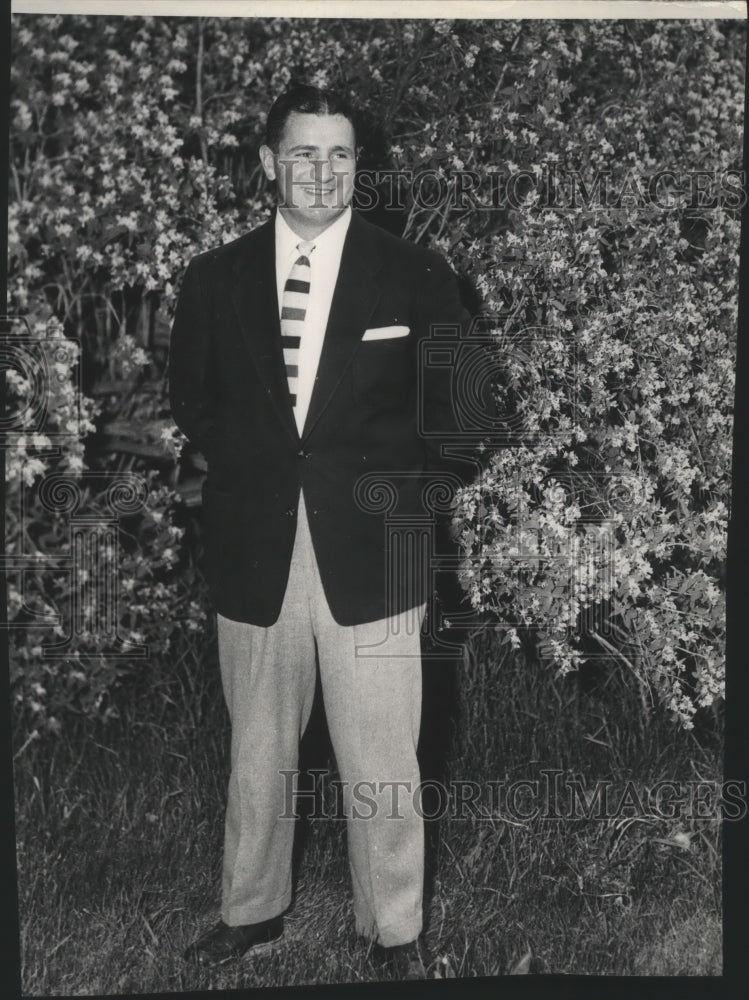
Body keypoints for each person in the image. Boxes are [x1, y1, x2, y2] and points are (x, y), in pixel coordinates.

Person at [168, 83, 473, 981]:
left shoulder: (414, 274)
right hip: (255, 548)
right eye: (302, 153)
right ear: (269, 163)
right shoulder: (213, 277)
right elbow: (195, 403)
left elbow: (463, 416)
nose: (320, 172)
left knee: (383, 756)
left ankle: (396, 931)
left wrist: (394, 493)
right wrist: (262, 474)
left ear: (357, 166)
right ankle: (250, 910)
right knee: (255, 747)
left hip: (377, 551)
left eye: (338, 154)